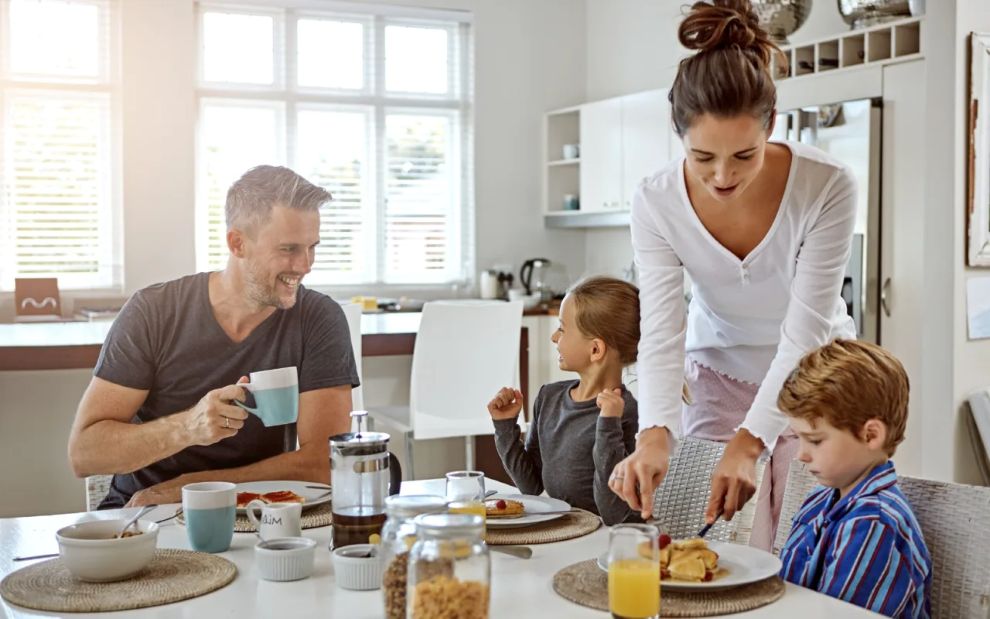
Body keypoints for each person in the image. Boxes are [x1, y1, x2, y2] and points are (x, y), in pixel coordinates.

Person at [608, 0, 859, 550]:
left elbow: (806, 331)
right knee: (712, 538)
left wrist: (752, 442)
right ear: (678, 134)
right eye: (703, 158)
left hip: (817, 375)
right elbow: (664, 329)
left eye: (746, 156)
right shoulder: (655, 202)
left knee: (805, 538)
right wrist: (654, 432)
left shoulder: (827, 185)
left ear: (772, 124)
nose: (723, 176)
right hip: (719, 372)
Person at [67, 165, 360, 508]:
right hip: (144, 512)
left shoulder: (318, 318)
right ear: (237, 243)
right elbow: (85, 455)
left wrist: (202, 487)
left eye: (312, 247)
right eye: (289, 249)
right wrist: (188, 427)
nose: (305, 264)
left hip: (254, 512)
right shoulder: (154, 311)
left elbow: (325, 462)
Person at [778, 339, 931, 618]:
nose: (801, 455)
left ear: (870, 435)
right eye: (798, 438)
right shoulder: (819, 500)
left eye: (814, 440)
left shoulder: (874, 524)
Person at [488, 277, 642, 525]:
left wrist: (608, 424)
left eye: (562, 328)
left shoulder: (627, 413)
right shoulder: (549, 398)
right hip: (568, 530)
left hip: (611, 539)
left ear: (595, 350)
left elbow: (613, 513)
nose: (553, 337)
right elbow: (532, 487)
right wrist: (505, 428)